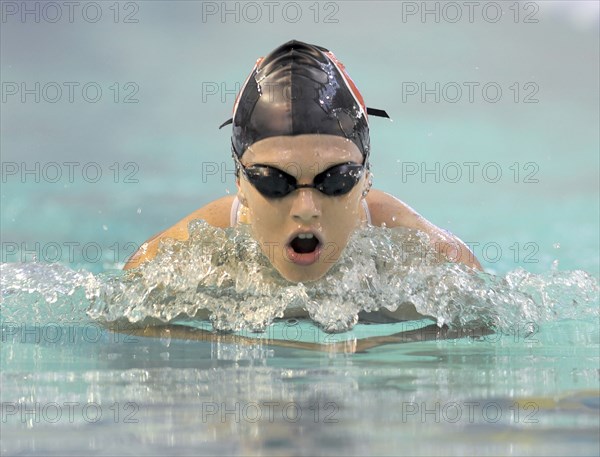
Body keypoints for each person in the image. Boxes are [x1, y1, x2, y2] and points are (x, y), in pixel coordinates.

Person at [124, 40, 481, 288]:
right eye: (274, 182)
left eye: (336, 180)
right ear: (240, 183)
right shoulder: (179, 258)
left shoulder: (426, 255)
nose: (306, 209)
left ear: (366, 178)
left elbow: (486, 332)